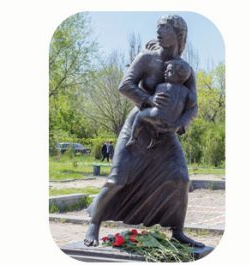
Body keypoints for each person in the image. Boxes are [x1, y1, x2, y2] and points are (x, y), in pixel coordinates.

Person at [84, 14, 205, 248]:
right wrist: (147, 99)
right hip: (138, 127)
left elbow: (194, 106)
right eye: (158, 28)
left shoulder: (187, 70)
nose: (158, 32)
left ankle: (177, 231)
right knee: (118, 178)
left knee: (180, 178)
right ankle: (94, 224)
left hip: (166, 131)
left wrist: (179, 125)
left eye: (164, 28)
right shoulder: (147, 58)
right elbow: (124, 85)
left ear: (178, 34)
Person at [126, 59, 191, 149]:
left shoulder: (162, 86)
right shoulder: (186, 92)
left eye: (169, 71)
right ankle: (155, 138)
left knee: (140, 116)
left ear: (178, 76)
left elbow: (153, 100)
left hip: (158, 116)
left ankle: (133, 138)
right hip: (173, 122)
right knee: (150, 122)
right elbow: (190, 106)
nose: (165, 72)